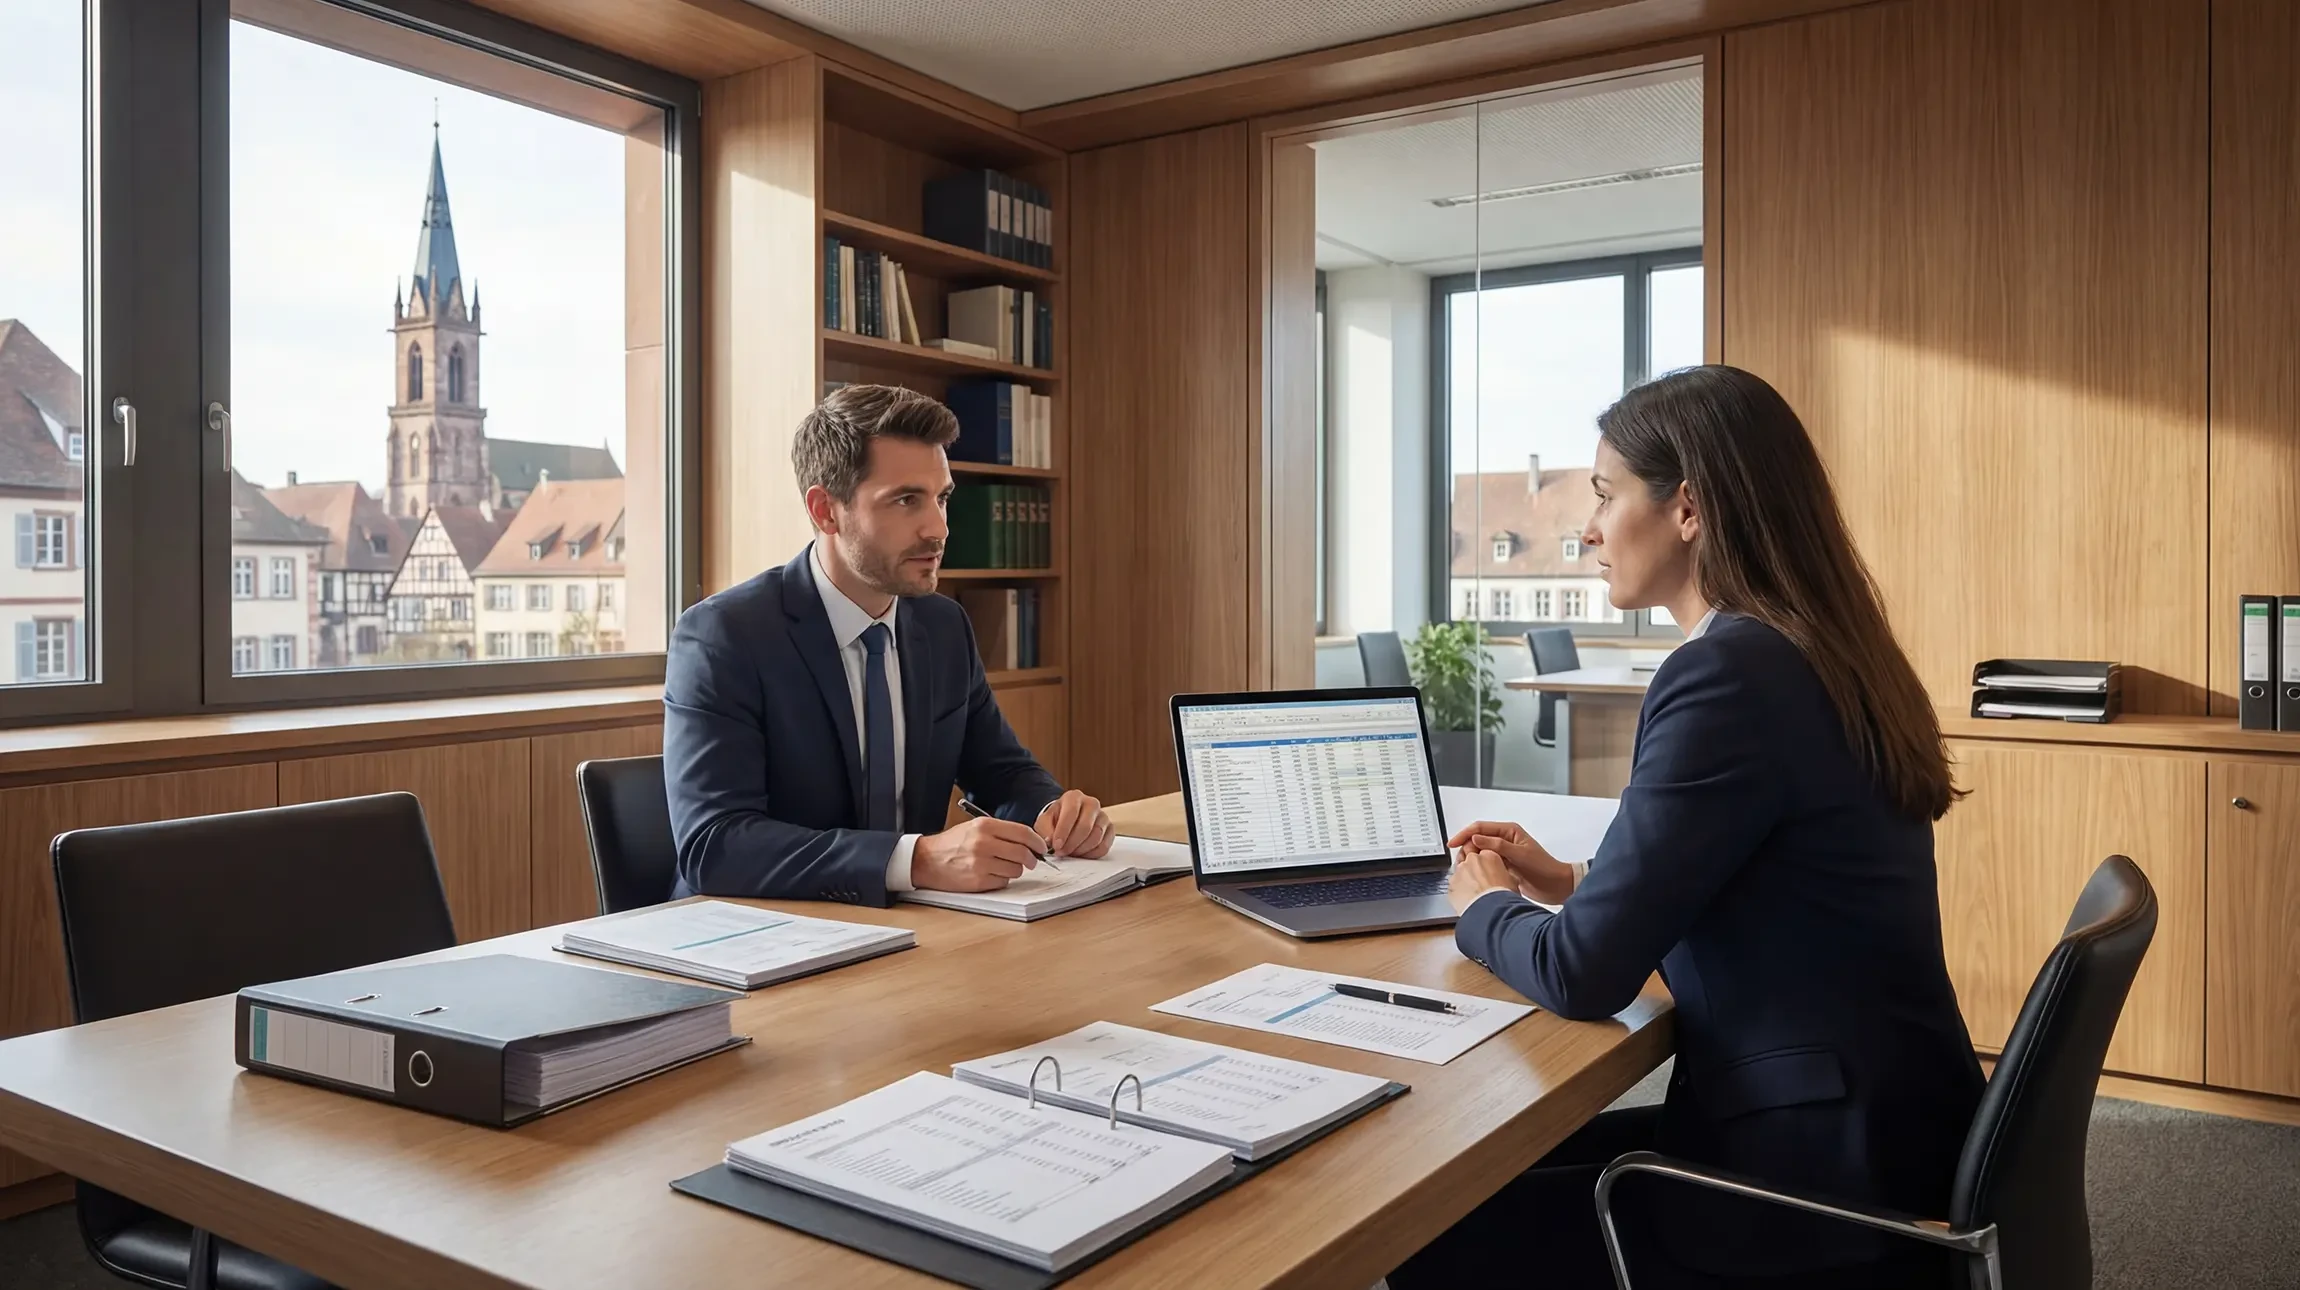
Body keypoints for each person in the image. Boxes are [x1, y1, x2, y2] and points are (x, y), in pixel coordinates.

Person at [1392, 366, 1984, 1289]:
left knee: (1428, 1224)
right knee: (1474, 1172)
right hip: (1882, 1129)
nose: (1587, 529)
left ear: (1689, 509)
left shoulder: (1726, 675)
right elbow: (1762, 872)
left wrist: (1484, 908)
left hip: (1805, 1181)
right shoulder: (1814, 645)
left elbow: (1582, 975)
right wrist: (1573, 881)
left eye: (1604, 495)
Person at [661, 384, 1112, 905]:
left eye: (942, 497)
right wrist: (917, 860)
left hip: (908, 933)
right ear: (826, 511)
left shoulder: (942, 626)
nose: (939, 528)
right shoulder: (724, 636)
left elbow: (1002, 772)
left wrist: (1052, 813)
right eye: (906, 500)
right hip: (756, 938)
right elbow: (714, 846)